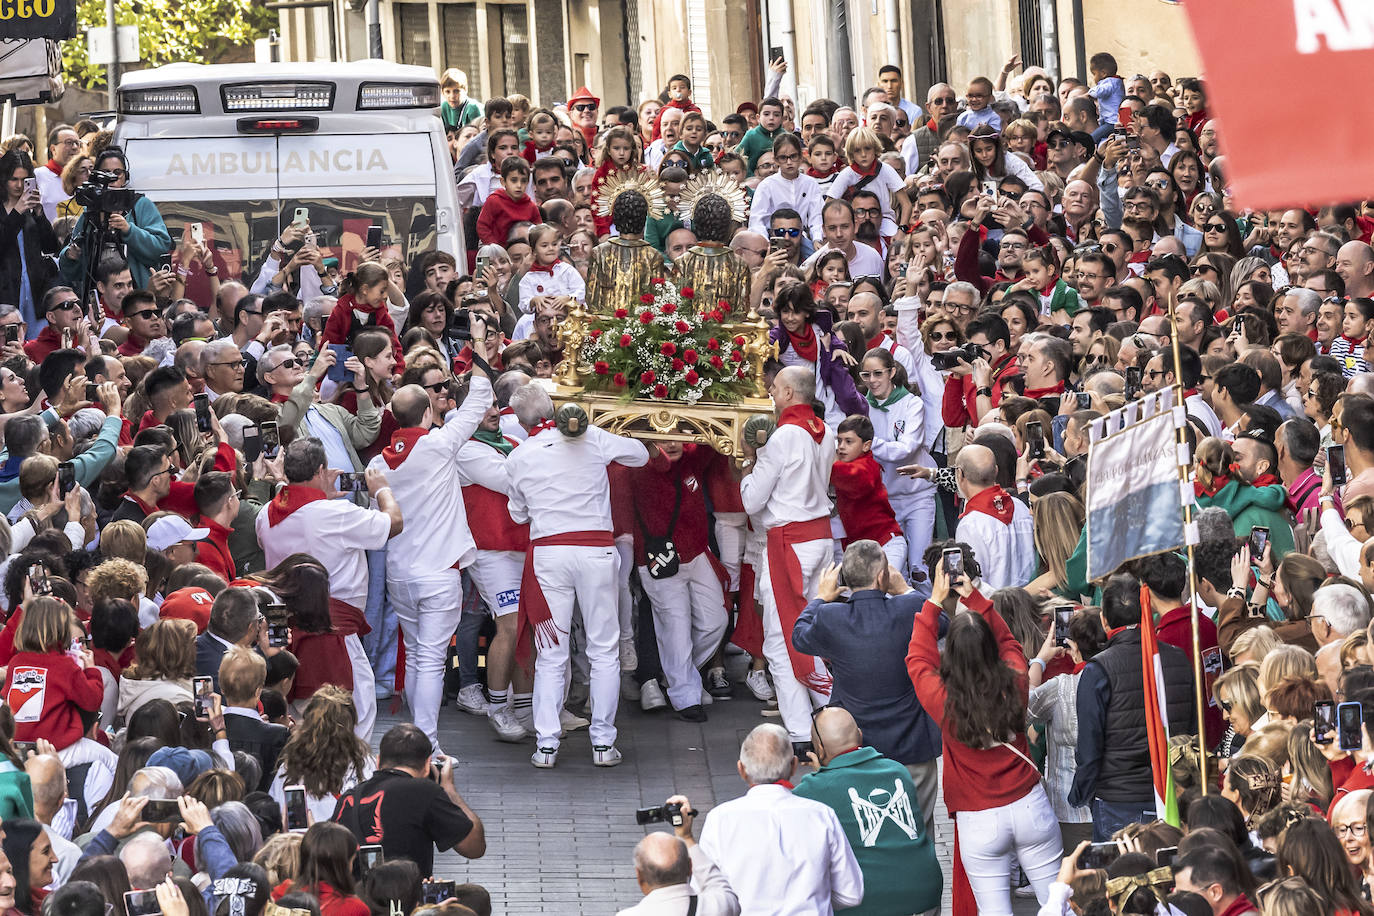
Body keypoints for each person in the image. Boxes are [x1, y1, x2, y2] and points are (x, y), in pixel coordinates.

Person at [504, 383, 649, 768]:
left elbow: (518, 514)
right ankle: (603, 743)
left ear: (520, 421)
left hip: (550, 553)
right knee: (603, 651)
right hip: (596, 552)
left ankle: (546, 745)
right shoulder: (592, 438)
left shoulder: (519, 457)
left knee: (551, 655)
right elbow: (639, 454)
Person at [905, 559, 1062, 913]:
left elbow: (917, 659)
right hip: (1029, 805)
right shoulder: (1015, 678)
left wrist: (933, 602)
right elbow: (1008, 640)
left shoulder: (942, 700)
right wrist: (974, 597)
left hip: (979, 819)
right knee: (1058, 902)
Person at [366, 338, 493, 753]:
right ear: (426, 413)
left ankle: (423, 743)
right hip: (437, 575)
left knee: (421, 657)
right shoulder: (438, 445)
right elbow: (480, 401)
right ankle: (429, 747)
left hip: (400, 574)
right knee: (431, 661)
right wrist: (478, 354)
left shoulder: (377, 464)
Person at [791, 540, 942, 838]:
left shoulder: (831, 617)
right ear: (882, 575)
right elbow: (943, 623)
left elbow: (799, 636)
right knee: (918, 829)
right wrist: (906, 590)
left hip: (854, 747)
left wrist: (820, 598)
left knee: (863, 833)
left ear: (845, 580)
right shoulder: (909, 608)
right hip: (911, 742)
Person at [256, 438, 404, 741]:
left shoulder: (265, 514)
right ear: (321, 469)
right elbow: (394, 523)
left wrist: (320, 495)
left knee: (295, 714)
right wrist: (381, 490)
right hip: (330, 627)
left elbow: (297, 512)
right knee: (354, 711)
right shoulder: (334, 514)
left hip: (282, 626)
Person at [740, 366, 837, 752]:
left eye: (775, 390)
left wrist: (748, 463)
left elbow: (751, 500)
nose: (771, 396)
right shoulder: (825, 431)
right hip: (819, 539)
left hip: (790, 544)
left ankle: (800, 735)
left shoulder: (782, 438)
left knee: (781, 643)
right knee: (812, 634)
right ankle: (831, 721)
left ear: (789, 394)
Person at [1068, 572, 1196, 840]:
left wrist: (1080, 792)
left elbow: (1089, 747)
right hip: (1167, 794)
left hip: (1124, 801)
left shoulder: (1097, 671)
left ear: (1104, 620)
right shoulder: (1178, 658)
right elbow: (1192, 727)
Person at [698, 724, 863, 914]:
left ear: (741, 769)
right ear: (794, 765)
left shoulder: (719, 819)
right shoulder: (821, 815)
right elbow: (851, 894)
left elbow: (704, 894)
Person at [792, 706, 942, 916]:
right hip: (924, 891)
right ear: (860, 736)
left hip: (865, 899)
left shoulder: (812, 790)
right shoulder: (898, 770)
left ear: (819, 749)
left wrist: (821, 776)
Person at [331, 724, 484, 878]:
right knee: (475, 895)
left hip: (356, 897)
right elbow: (474, 847)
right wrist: (449, 789)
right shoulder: (425, 792)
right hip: (405, 898)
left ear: (378, 762)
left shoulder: (350, 797)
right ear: (426, 766)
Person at [619, 808, 739, 916]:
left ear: (640, 877)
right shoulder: (718, 907)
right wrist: (687, 837)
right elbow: (716, 883)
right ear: (690, 867)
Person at [953, 443, 1035, 590]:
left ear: (960, 474)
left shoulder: (970, 524)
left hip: (993, 608)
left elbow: (971, 583)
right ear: (996, 471)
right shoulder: (1021, 507)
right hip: (1029, 602)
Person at [218, 648, 287, 794]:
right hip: (264, 812)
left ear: (222, 688)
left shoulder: (210, 730)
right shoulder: (278, 735)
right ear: (258, 691)